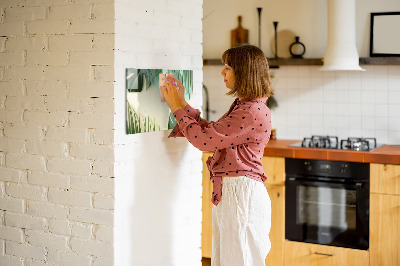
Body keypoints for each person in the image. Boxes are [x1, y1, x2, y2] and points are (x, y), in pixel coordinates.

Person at [161, 44, 273, 266]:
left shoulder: (250, 111)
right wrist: (182, 104)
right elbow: (212, 133)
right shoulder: (246, 106)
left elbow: (204, 141)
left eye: (228, 67)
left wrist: (176, 108)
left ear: (244, 72)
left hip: (241, 195)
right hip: (236, 193)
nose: (222, 72)